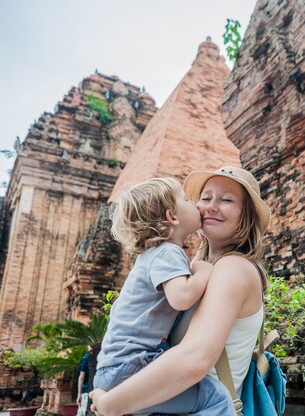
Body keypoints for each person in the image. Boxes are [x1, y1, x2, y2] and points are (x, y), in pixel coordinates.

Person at [90, 166, 271, 416]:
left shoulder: (233, 268)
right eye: (205, 198)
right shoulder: (193, 268)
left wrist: (111, 404)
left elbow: (194, 360)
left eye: (226, 200)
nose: (211, 207)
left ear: (246, 216)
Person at [75, 350, 90, 416]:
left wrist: (79, 394)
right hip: (100, 390)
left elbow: (81, 376)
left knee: (83, 413)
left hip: (86, 391)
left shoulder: (86, 357)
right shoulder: (104, 355)